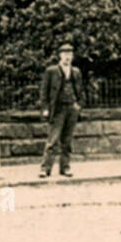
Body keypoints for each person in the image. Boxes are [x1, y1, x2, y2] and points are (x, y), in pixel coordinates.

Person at [39, 42, 83, 178]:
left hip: (71, 108)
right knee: (53, 140)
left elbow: (80, 91)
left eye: (70, 54)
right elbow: (44, 92)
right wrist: (45, 108)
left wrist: (78, 105)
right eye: (65, 54)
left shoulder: (76, 72)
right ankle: (45, 169)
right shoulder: (51, 71)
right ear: (60, 56)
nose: (67, 57)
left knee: (67, 141)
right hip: (57, 109)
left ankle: (65, 168)